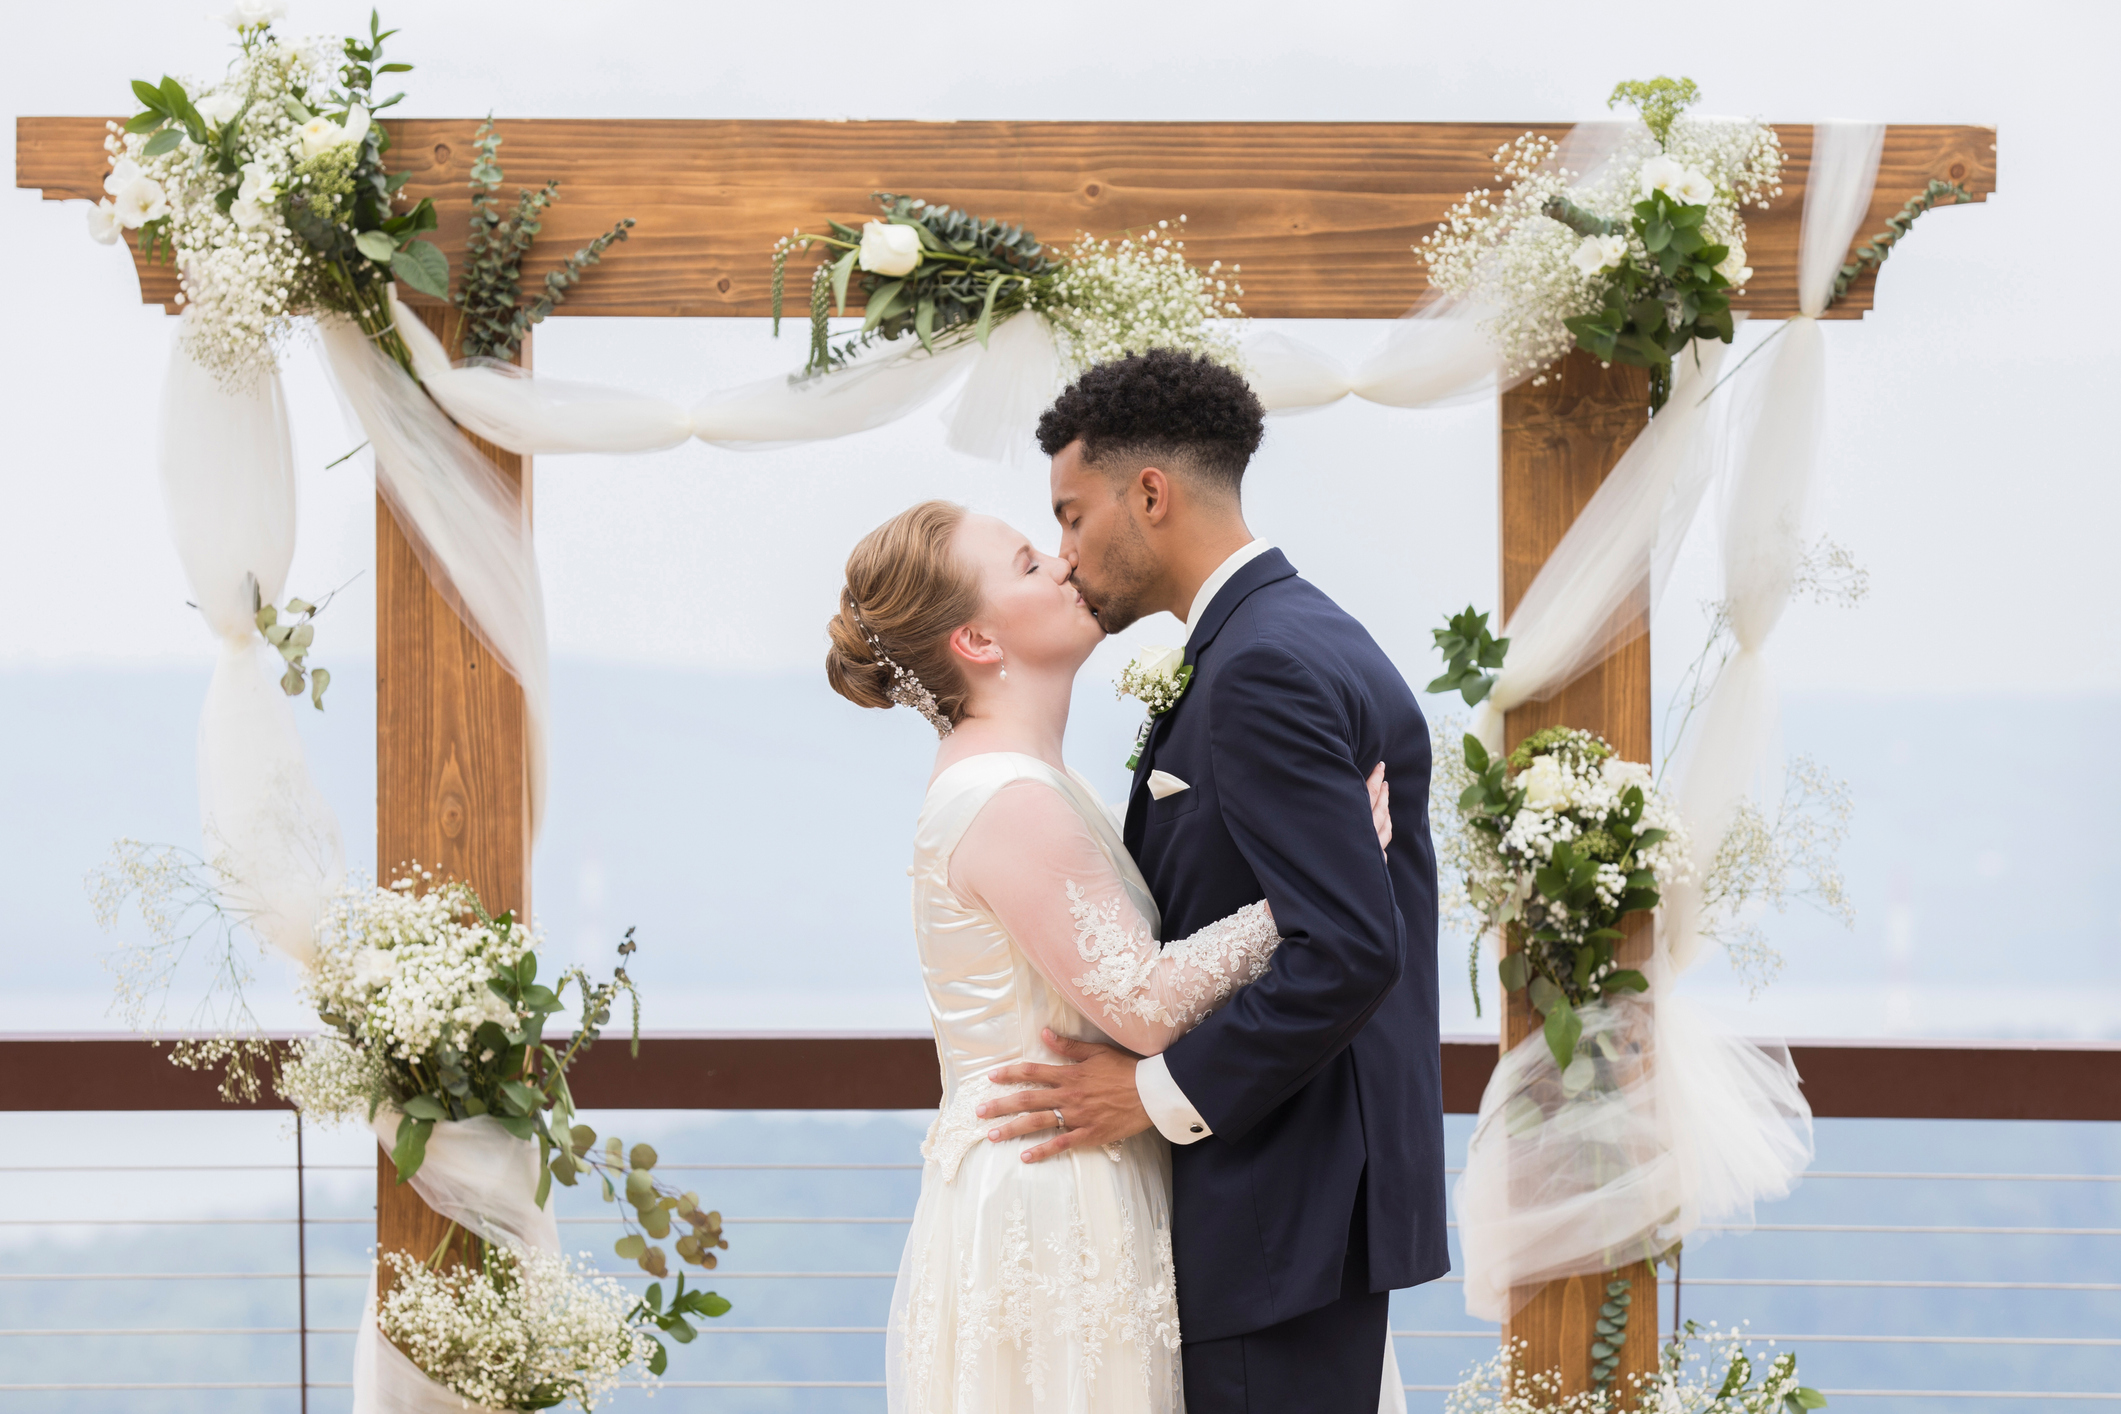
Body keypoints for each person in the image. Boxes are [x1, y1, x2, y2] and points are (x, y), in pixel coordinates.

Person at [826, 493, 1396, 1413]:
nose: (1060, 562)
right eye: (1023, 563)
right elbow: (1144, 1000)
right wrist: (1312, 889)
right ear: (976, 641)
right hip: (1052, 1190)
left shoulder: (1032, 781)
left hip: (1076, 1159)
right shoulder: (1004, 796)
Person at [976, 349, 1450, 1412]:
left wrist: (1148, 1094)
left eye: (1070, 514)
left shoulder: (1263, 664)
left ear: (1149, 495)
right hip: (1305, 1210)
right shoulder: (1295, 633)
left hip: (1281, 1205)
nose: (1065, 552)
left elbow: (1350, 946)